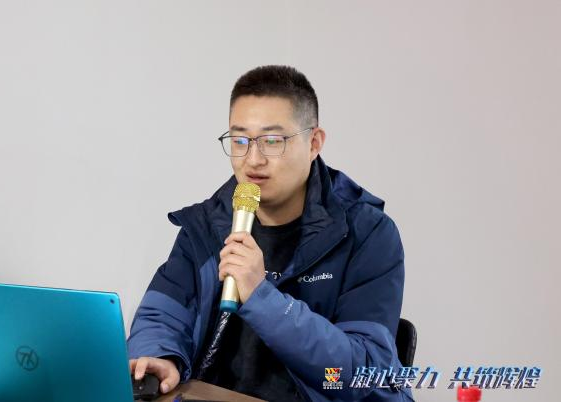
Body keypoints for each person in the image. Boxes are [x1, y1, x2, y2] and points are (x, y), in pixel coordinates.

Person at [127, 65, 414, 401]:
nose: (253, 160)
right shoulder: (208, 225)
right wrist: (161, 357)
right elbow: (161, 314)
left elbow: (365, 372)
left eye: (272, 141)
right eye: (240, 140)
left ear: (314, 143)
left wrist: (262, 297)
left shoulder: (367, 233)